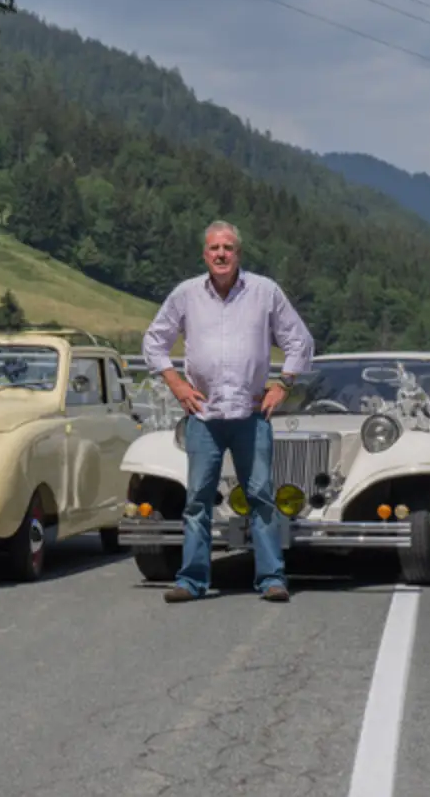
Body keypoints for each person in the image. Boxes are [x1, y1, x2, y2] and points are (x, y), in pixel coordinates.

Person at [142, 220, 315, 603]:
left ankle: (271, 578)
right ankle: (191, 581)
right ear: (204, 254)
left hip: (251, 416)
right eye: (214, 248)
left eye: (228, 248)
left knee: (261, 498)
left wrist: (283, 384)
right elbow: (154, 342)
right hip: (204, 416)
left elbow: (300, 342)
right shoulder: (186, 295)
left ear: (238, 253)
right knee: (197, 500)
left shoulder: (264, 292)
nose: (221, 254)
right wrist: (176, 383)